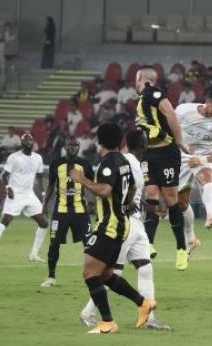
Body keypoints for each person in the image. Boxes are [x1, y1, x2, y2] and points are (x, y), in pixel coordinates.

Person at [70, 123, 155, 334]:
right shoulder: (124, 161)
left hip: (110, 225)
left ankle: (107, 322)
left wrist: (82, 180)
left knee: (90, 272)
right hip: (121, 223)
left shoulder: (108, 164)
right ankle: (143, 303)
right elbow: (134, 186)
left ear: (100, 141)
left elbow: (105, 190)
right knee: (106, 273)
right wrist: (125, 204)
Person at [135, 66, 191, 271]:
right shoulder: (142, 100)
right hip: (149, 154)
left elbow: (170, 113)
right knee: (150, 195)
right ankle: (148, 243)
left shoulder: (152, 92)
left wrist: (180, 141)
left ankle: (181, 248)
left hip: (167, 152)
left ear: (141, 78)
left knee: (170, 200)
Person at [175, 87, 212, 259]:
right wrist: (182, 146)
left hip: (206, 157)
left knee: (207, 175)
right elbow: (171, 130)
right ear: (208, 102)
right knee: (181, 204)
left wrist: (202, 160)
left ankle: (211, 214)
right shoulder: (184, 110)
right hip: (182, 157)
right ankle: (191, 238)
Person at [0, 133, 48, 262]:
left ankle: (33, 254)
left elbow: (40, 176)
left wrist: (42, 194)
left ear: (33, 143)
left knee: (44, 223)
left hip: (30, 195)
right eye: (25, 141)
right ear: (22, 143)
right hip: (16, 194)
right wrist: (8, 187)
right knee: (5, 221)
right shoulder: (14, 157)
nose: (28, 143)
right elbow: (3, 175)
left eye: (30, 141)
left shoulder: (38, 158)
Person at [40, 137, 93, 287]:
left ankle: (93, 275)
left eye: (76, 145)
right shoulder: (56, 164)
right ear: (65, 147)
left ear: (79, 147)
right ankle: (51, 276)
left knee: (90, 243)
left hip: (80, 210)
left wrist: (94, 203)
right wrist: (44, 205)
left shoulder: (85, 164)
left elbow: (92, 184)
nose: (73, 148)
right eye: (70, 145)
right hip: (61, 210)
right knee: (54, 243)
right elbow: (51, 185)